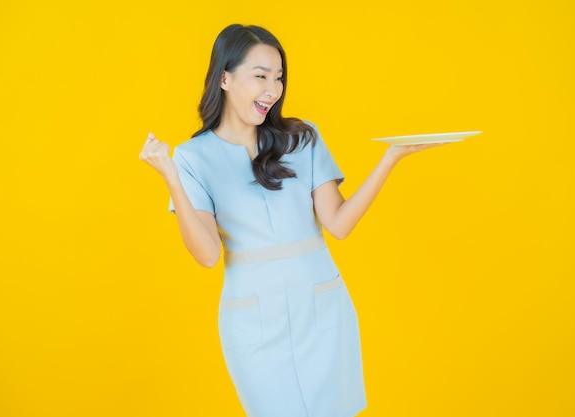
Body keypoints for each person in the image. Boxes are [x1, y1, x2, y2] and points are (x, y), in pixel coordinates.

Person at [139, 23, 447, 417]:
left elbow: (338, 224)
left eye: (279, 77)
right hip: (252, 318)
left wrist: (390, 159)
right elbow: (208, 254)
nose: (273, 89)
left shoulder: (301, 138)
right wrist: (171, 179)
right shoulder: (191, 158)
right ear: (225, 78)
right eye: (261, 76)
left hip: (321, 307)